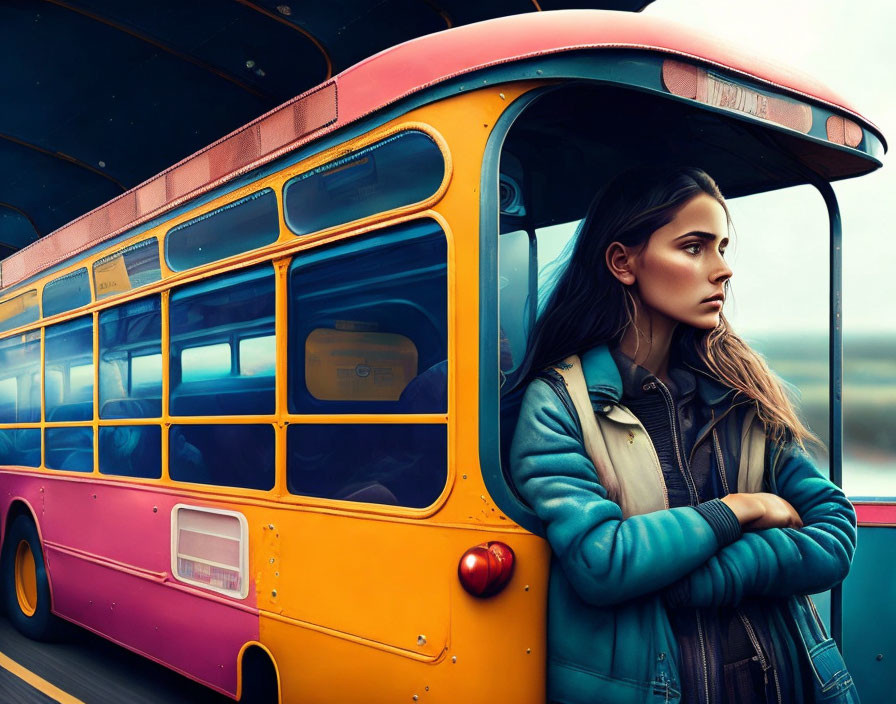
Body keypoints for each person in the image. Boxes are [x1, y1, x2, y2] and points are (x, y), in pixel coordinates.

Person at [509, 167, 857, 704]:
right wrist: (740, 510)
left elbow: (834, 534)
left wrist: (685, 576)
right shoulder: (559, 404)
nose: (723, 270)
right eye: (694, 247)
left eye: (721, 246)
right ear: (623, 262)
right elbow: (603, 563)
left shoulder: (741, 394)